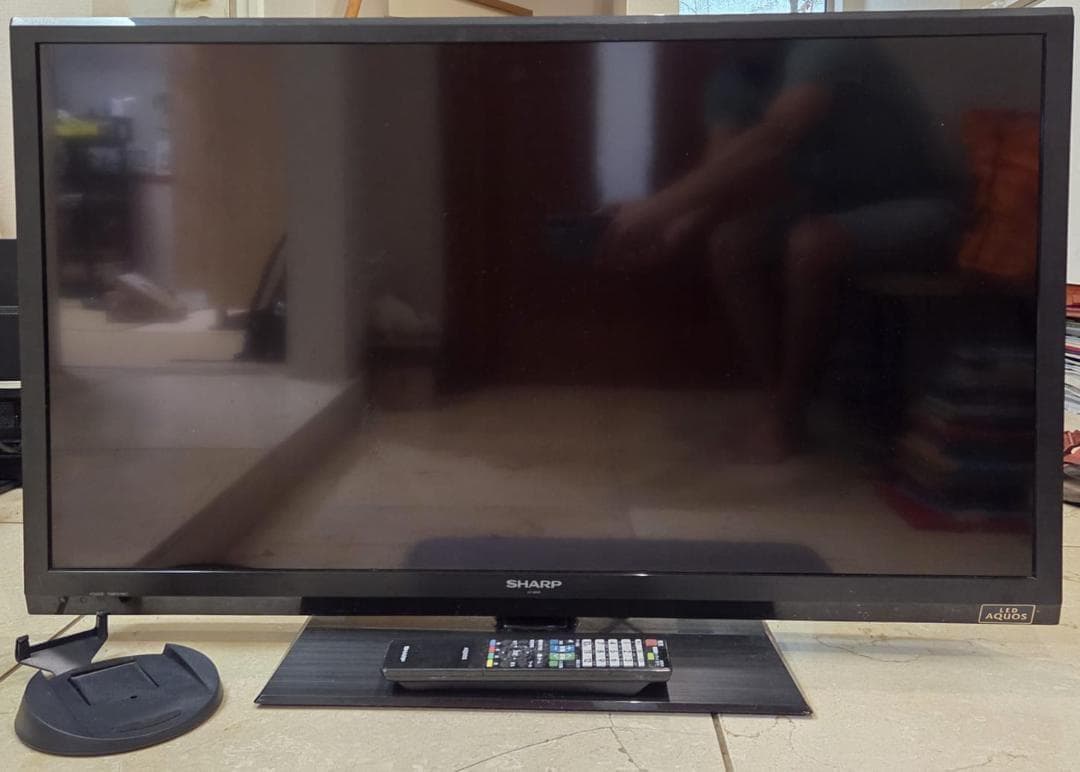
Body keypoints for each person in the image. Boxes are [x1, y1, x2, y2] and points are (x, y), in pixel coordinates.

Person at [603, 39, 965, 461]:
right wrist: (673, 228)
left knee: (811, 243)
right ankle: (779, 399)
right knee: (730, 242)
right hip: (829, 208)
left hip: (925, 204)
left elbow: (777, 136)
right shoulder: (730, 77)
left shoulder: (825, 48)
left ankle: (788, 416)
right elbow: (724, 172)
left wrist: (656, 209)